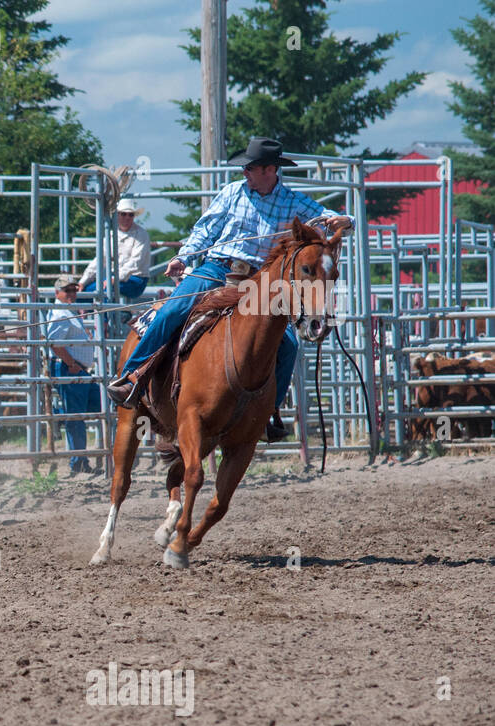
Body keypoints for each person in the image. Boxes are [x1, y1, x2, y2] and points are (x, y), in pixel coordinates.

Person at [105, 137, 353, 441]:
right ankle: (133, 377)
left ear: (269, 170)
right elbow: (204, 230)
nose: (245, 171)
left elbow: (333, 219)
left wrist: (345, 220)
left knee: (288, 345)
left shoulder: (293, 201)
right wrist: (183, 257)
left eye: (250, 167)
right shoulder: (231, 193)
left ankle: (265, 413)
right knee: (172, 310)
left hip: (260, 282)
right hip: (219, 267)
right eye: (246, 167)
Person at [47, 277, 100, 474]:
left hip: (76, 368)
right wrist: (71, 363)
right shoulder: (61, 313)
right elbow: (54, 344)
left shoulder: (67, 311)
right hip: (69, 367)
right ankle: (78, 461)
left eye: (73, 290)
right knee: (77, 415)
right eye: (66, 290)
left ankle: (58, 416)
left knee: (93, 407)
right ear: (57, 293)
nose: (71, 293)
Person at [80, 197, 151, 299]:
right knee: (83, 293)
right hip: (115, 279)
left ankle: (106, 314)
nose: (127, 217)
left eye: (131, 215)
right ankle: (87, 314)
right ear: (117, 215)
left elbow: (135, 262)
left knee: (105, 290)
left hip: (137, 280)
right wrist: (82, 282)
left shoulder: (142, 235)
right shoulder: (111, 235)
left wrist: (113, 279)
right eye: (123, 214)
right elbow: (99, 260)